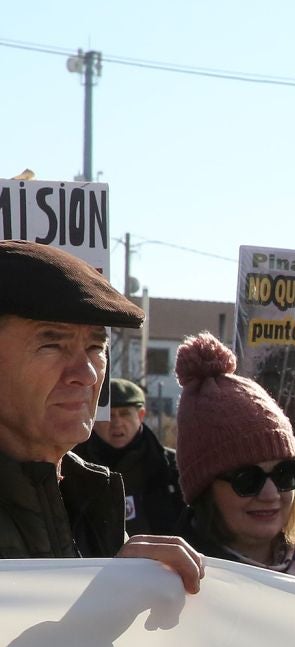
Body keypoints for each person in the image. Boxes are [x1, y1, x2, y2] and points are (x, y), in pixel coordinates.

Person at [0, 241, 201, 588]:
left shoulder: (91, 498)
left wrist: (115, 590)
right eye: (52, 344)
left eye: (96, 348)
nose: (88, 374)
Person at [173, 334, 295, 586]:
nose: (270, 493)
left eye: (285, 473)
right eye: (247, 479)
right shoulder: (166, 585)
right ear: (205, 490)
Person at [75, 378, 186, 537]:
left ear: (141, 415)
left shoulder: (171, 468)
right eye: (109, 415)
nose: (117, 423)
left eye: (125, 414)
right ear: (93, 418)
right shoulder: (72, 468)